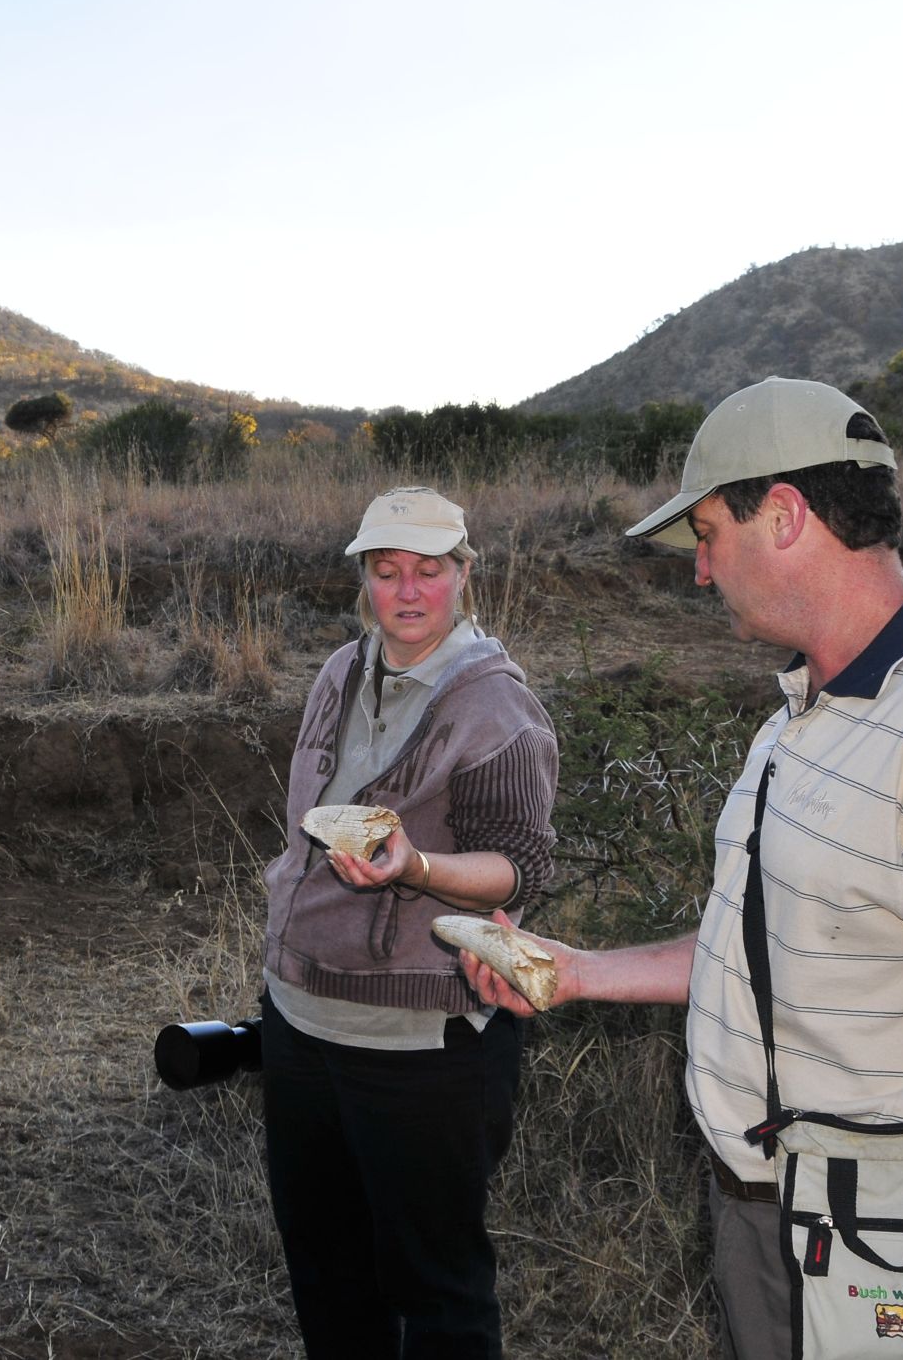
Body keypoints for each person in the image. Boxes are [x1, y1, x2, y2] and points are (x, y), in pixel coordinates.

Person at [458, 378, 903, 1360]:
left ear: (785, 515)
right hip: (766, 1214)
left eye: (708, 534)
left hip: (885, 1242)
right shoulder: (801, 716)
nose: (701, 571)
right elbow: (762, 944)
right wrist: (575, 970)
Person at [261, 486, 560, 1359]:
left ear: (463, 576)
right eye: (386, 572)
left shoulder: (496, 709)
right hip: (299, 1019)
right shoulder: (337, 673)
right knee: (327, 1272)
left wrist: (416, 868)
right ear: (364, 579)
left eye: (430, 571)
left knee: (438, 1292)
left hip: (418, 1046)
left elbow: (522, 866)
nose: (408, 592)